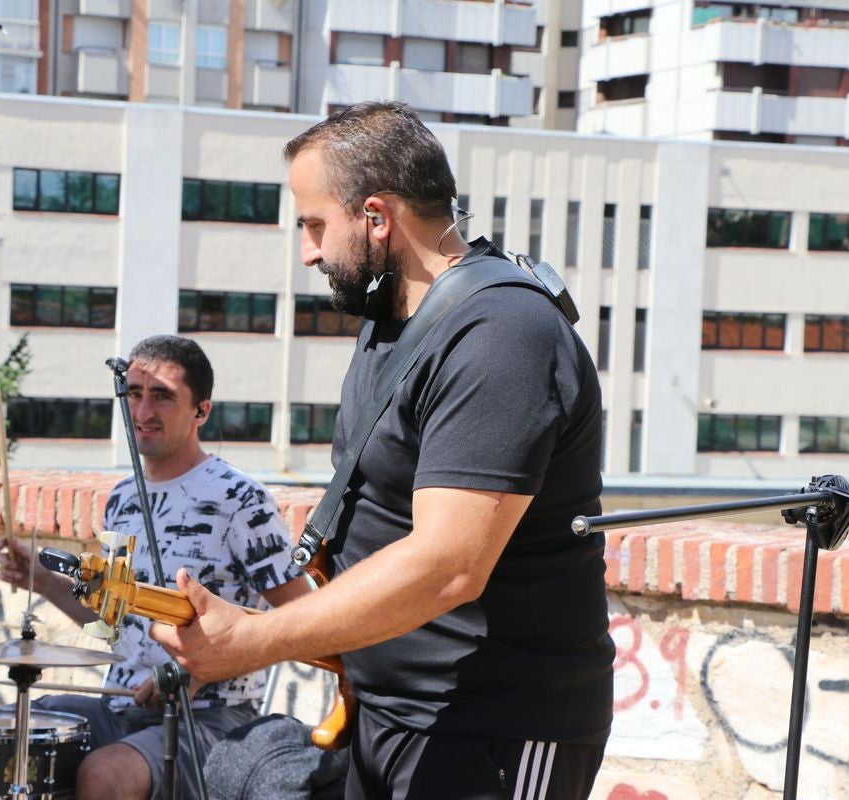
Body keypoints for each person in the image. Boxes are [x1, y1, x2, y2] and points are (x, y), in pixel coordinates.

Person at [151, 101, 615, 799]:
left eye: (313, 224)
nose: (307, 250)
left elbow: (446, 566)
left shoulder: (503, 334)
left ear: (376, 216)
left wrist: (252, 641)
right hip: (386, 716)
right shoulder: (392, 323)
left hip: (497, 724)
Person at [0, 334, 310, 800]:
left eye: (162, 396)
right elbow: (113, 620)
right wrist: (42, 582)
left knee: (107, 774)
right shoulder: (122, 498)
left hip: (212, 717)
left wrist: (199, 669)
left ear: (201, 411)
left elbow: (302, 618)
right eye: (135, 394)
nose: (142, 412)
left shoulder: (240, 499)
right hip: (118, 707)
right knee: (15, 734)